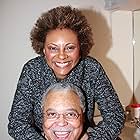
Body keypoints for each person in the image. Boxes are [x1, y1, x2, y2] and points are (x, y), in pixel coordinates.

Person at [8, 5, 125, 140]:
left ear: (80, 48)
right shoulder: (32, 71)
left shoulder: (91, 68)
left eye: (69, 48)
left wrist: (92, 138)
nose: (62, 56)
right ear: (44, 50)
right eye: (53, 48)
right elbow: (17, 123)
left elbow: (115, 115)